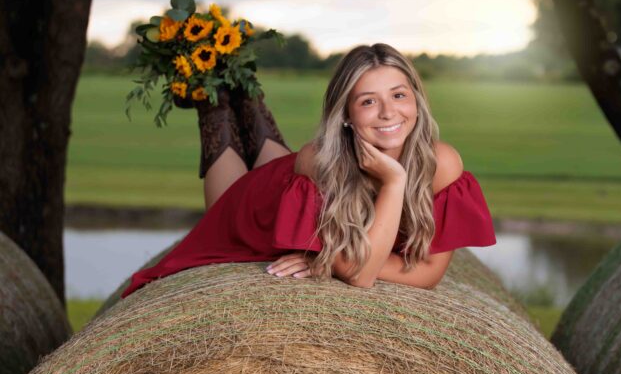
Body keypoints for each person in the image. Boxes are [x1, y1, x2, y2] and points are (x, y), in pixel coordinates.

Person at [121, 43, 496, 298]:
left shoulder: (442, 164)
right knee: (228, 197)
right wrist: (394, 182)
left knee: (277, 162)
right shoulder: (321, 161)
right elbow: (360, 274)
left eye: (399, 95)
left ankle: (251, 102)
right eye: (368, 101)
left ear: (417, 100)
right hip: (257, 207)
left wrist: (331, 258)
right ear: (346, 115)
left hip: (290, 181)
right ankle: (216, 106)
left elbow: (426, 275)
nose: (388, 113)